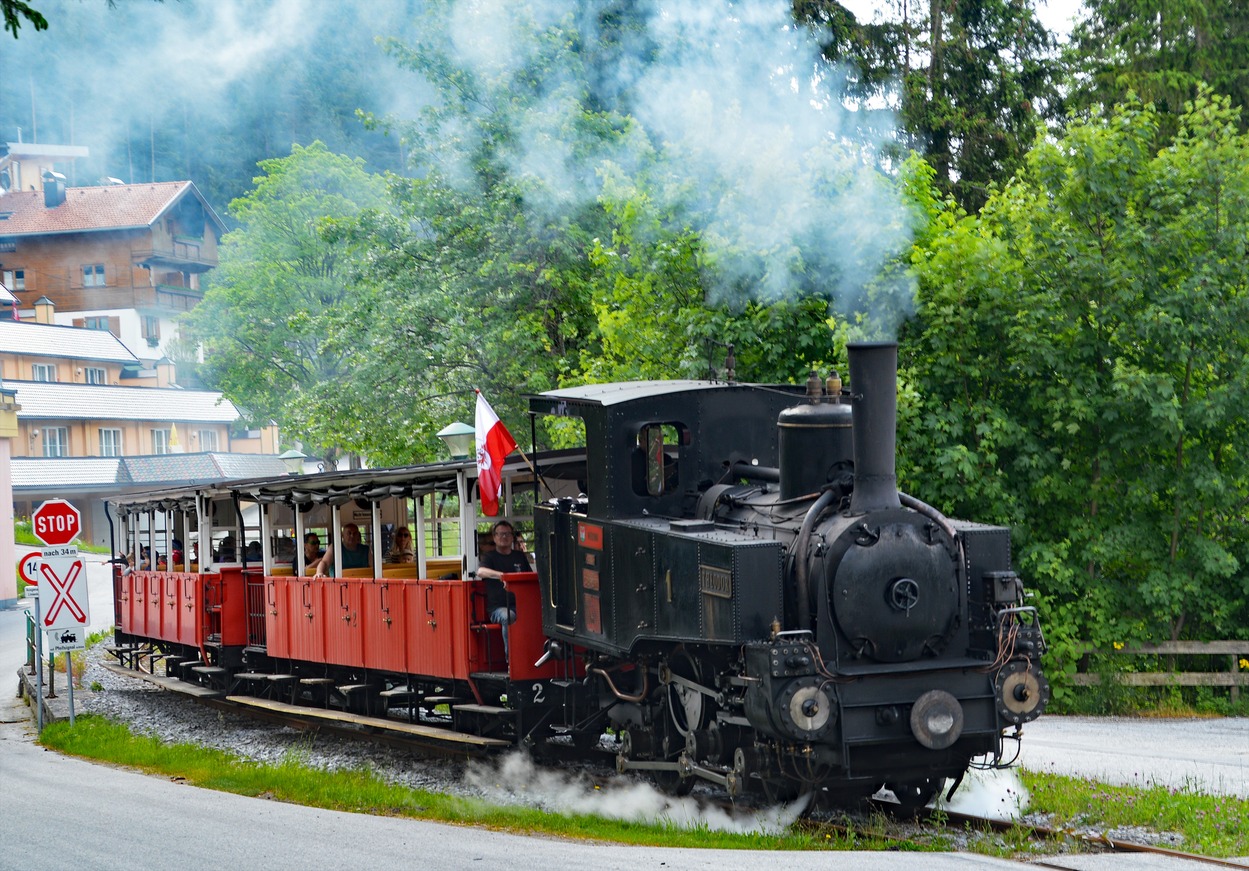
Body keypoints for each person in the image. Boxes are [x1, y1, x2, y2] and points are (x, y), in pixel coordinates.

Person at [475, 520, 527, 660]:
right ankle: (512, 661)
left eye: (508, 534)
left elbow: (528, 576)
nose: (504, 537)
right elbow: (480, 571)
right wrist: (502, 576)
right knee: (508, 616)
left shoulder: (520, 556)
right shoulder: (489, 557)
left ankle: (533, 659)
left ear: (512, 537)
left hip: (520, 605)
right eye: (501, 534)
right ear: (494, 537)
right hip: (498, 608)